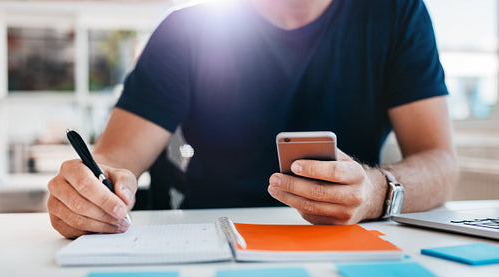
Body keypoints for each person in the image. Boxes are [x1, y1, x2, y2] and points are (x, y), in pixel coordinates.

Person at [48, 0, 458, 239]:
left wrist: (375, 191)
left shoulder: (396, 13)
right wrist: (88, 192)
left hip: (347, 240)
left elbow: (440, 161)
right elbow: (114, 159)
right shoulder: (187, 30)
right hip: (212, 240)